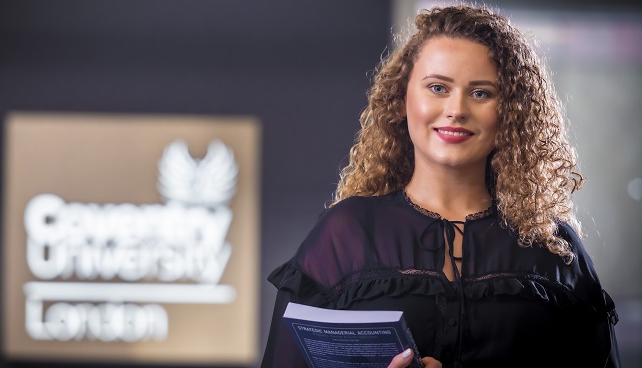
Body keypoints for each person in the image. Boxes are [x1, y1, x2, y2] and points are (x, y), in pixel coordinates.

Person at [260, 3, 621, 368]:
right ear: (403, 99)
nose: (456, 109)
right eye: (437, 87)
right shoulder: (345, 235)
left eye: (481, 93)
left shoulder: (554, 251)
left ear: (511, 112)